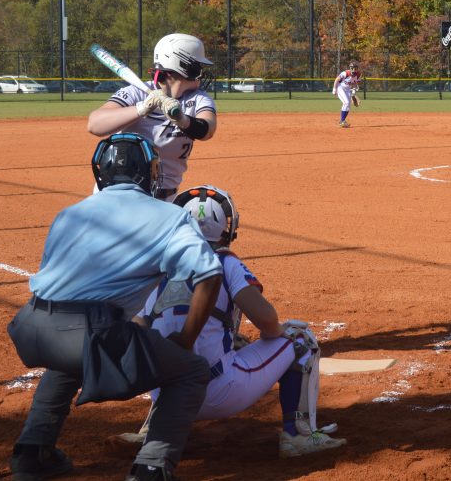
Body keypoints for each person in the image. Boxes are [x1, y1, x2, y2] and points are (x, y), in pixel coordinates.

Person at [7, 133, 224, 481]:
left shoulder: (70, 213)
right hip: (89, 332)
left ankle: (32, 454)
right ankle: (151, 468)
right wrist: (184, 341)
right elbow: (210, 275)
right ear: (151, 173)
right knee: (190, 371)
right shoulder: (169, 217)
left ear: (100, 173)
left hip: (30, 326)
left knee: (66, 362)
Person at [131, 185, 347, 458]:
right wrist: (270, 334)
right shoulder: (224, 263)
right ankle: (299, 436)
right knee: (301, 340)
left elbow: (137, 329)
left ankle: (152, 431)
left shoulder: (157, 267)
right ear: (226, 227)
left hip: (166, 397)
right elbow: (266, 320)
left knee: (166, 345)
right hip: (218, 393)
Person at [87, 33, 217, 201]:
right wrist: (142, 108)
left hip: (164, 198)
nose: (201, 72)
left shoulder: (198, 99)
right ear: (183, 66)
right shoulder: (135, 93)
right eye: (198, 66)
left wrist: (182, 119)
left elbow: (208, 129)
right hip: (118, 194)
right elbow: (94, 124)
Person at [332, 61, 362, 128]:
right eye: (354, 68)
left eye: (356, 68)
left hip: (348, 90)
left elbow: (355, 83)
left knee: (348, 105)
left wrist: (354, 90)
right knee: (346, 102)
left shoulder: (359, 74)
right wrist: (334, 88)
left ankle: (343, 121)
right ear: (351, 68)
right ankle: (342, 121)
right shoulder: (346, 73)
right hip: (340, 88)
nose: (355, 69)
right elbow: (337, 79)